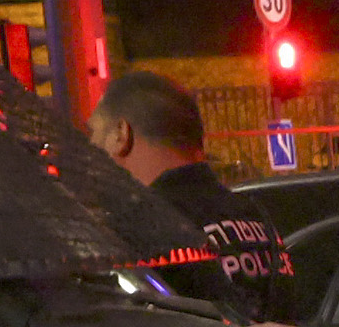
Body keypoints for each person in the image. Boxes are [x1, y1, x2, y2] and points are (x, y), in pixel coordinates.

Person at [92, 67, 294, 312]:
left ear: (120, 134)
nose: (91, 145)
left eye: (93, 131)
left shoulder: (139, 228)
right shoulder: (256, 216)